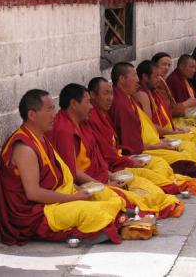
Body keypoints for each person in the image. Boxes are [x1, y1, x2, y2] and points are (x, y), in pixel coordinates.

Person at [0, 89, 124, 246]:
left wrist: (77, 190)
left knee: (108, 196)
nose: (54, 114)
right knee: (93, 212)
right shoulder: (24, 148)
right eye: (49, 109)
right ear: (32, 115)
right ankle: (96, 228)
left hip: (56, 198)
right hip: (38, 213)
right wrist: (72, 198)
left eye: (53, 108)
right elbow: (33, 193)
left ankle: (106, 223)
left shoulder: (41, 138)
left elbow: (61, 176)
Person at [49, 83, 184, 220]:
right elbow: (72, 172)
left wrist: (111, 176)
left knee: (147, 186)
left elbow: (96, 159)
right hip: (87, 185)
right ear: (73, 104)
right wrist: (104, 184)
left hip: (102, 176)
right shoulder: (64, 129)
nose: (91, 106)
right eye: (88, 102)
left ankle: (165, 197)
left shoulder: (82, 123)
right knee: (131, 199)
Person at [87, 77, 196, 195]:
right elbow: (107, 154)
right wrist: (127, 161)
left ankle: (173, 182)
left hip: (121, 160)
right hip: (112, 168)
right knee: (155, 179)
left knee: (164, 163)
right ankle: (172, 184)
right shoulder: (103, 113)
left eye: (111, 93)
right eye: (106, 93)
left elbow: (114, 147)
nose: (110, 98)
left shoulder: (109, 111)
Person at [108, 61, 196, 180]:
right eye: (134, 76)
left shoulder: (128, 99)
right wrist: (161, 144)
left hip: (150, 143)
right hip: (140, 151)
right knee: (170, 161)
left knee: (187, 147)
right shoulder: (121, 104)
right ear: (122, 79)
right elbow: (131, 148)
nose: (137, 80)